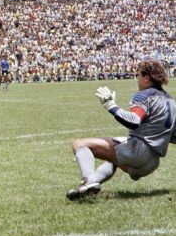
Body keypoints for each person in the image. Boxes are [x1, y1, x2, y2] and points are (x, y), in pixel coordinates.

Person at [66, 60, 176, 200]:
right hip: (152, 163)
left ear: (146, 77)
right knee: (112, 160)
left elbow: (133, 121)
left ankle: (90, 181)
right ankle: (86, 189)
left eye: (138, 75)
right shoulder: (170, 100)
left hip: (138, 152)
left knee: (80, 144)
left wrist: (110, 105)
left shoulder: (144, 95)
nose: (137, 79)